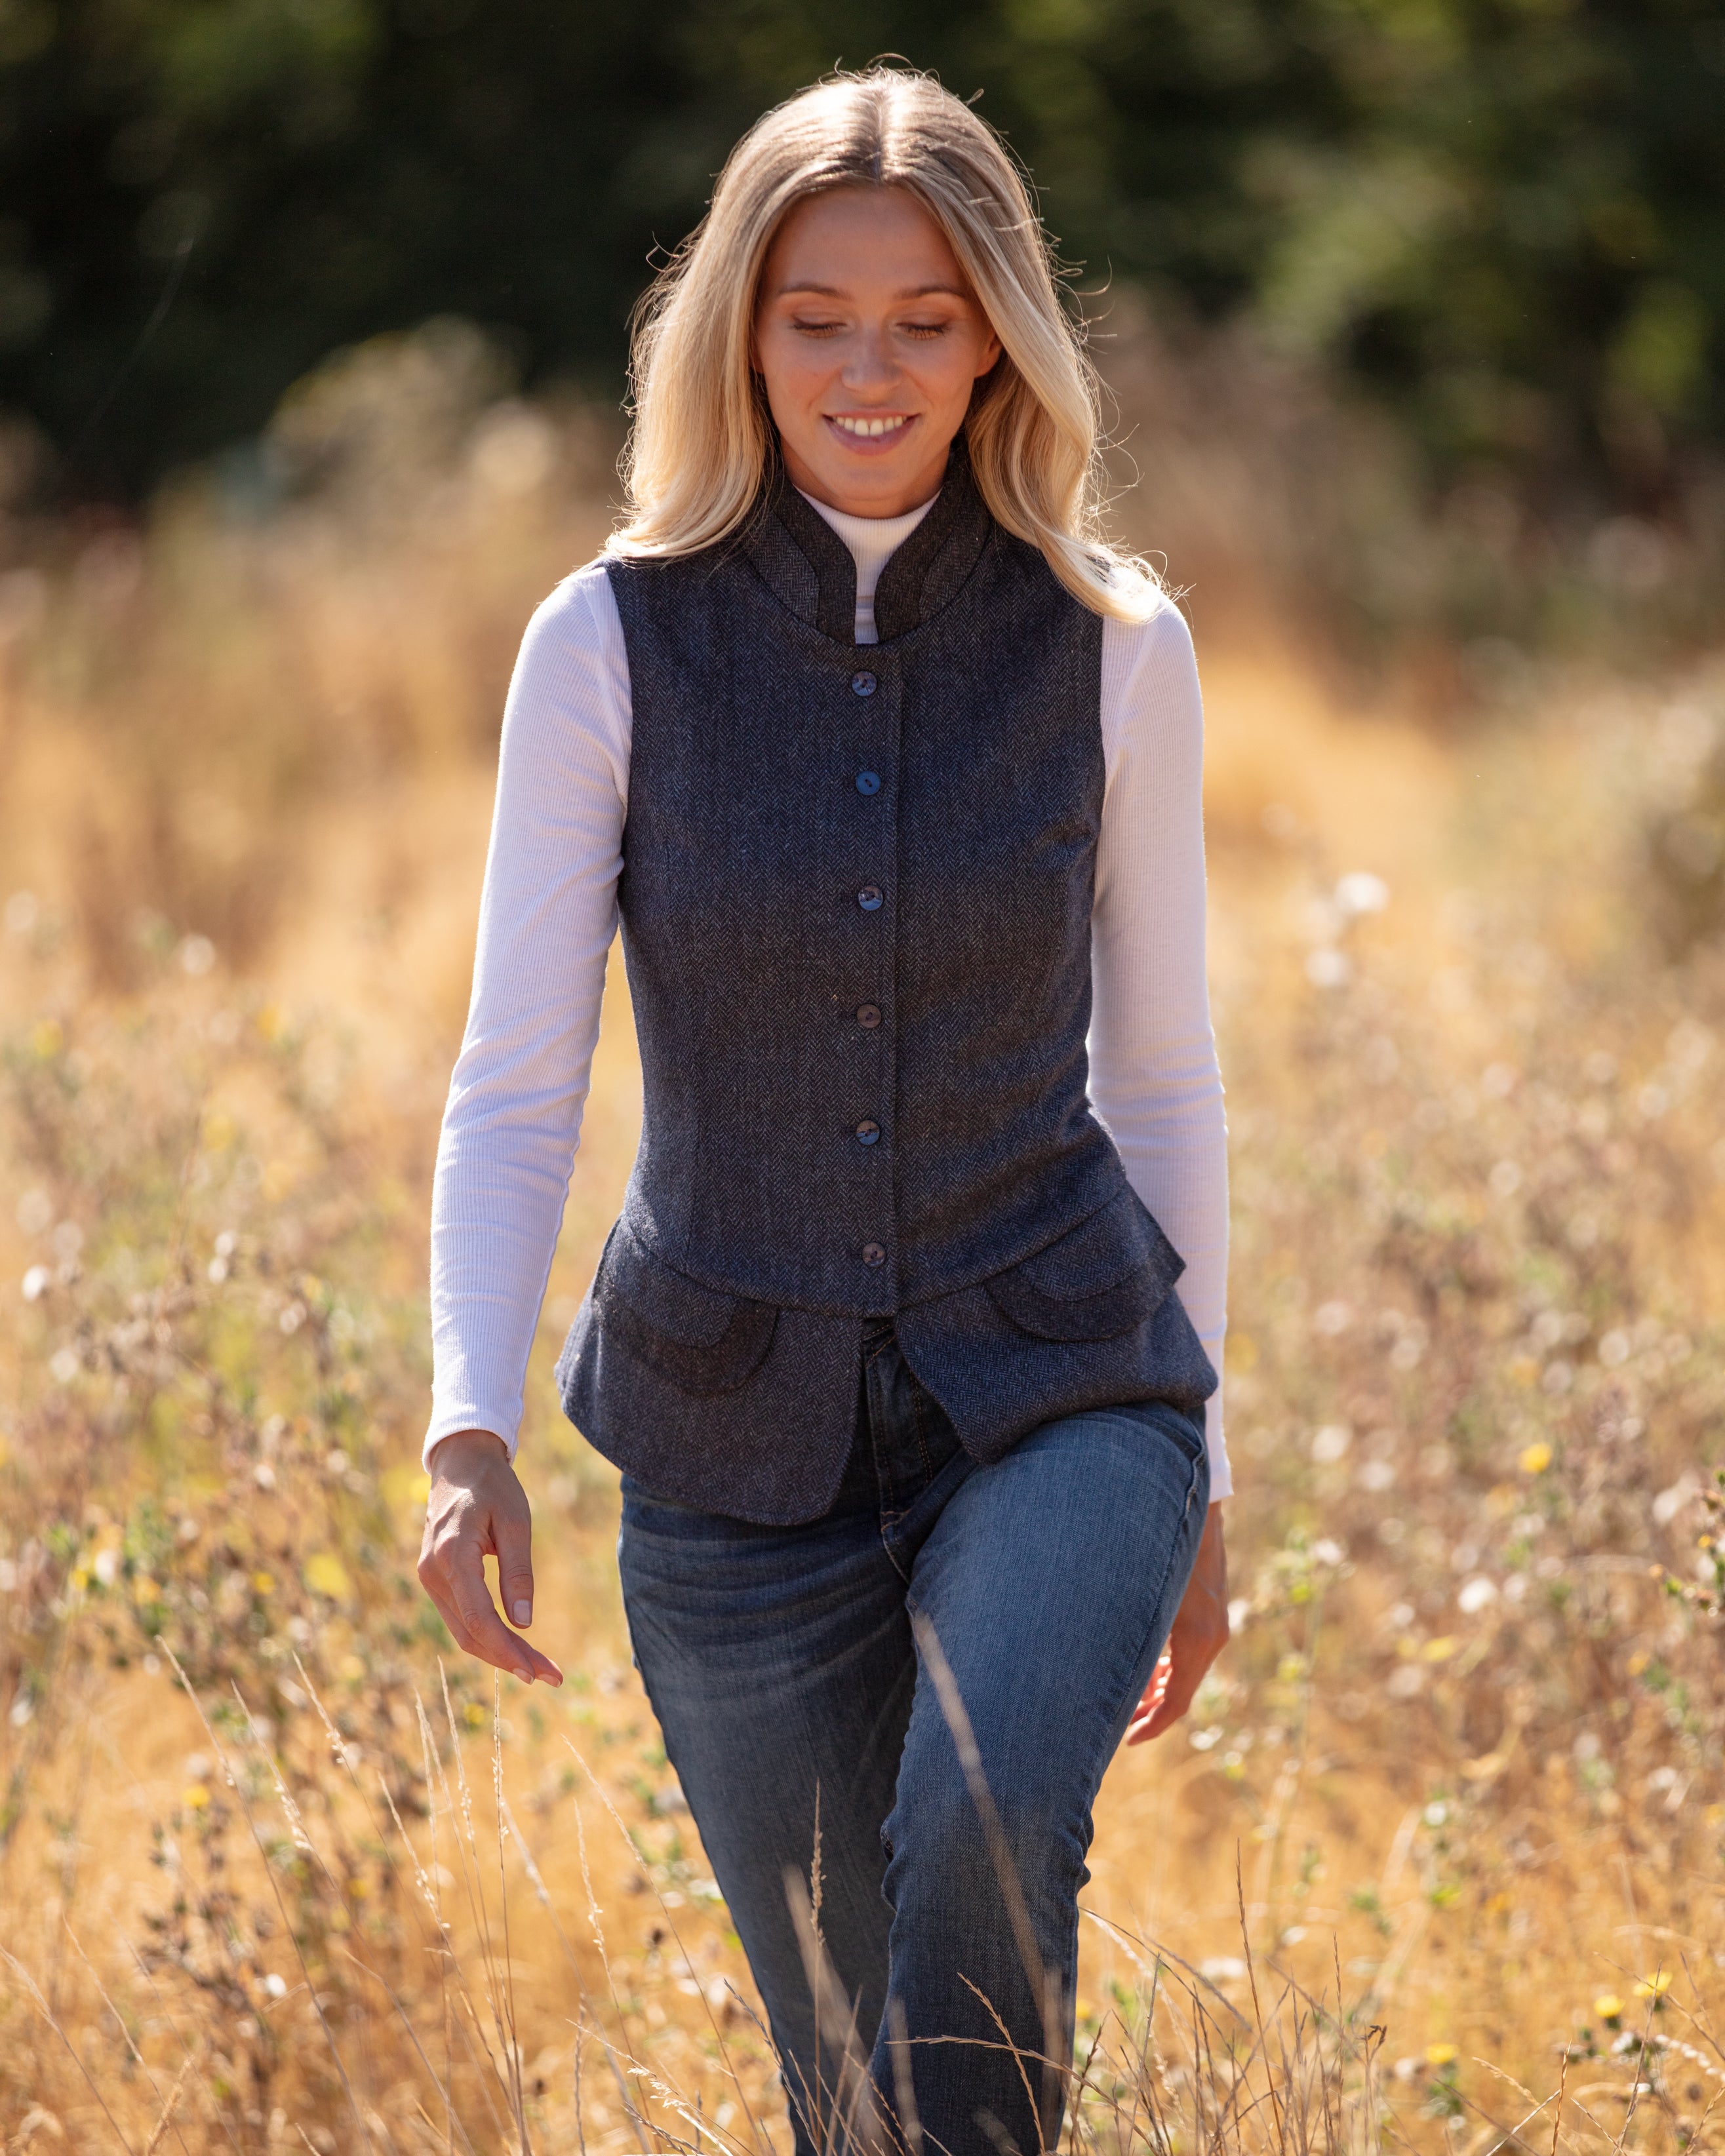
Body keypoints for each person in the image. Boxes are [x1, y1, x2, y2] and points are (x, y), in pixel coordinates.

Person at [417, 65, 1231, 2156]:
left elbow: (1155, 1074)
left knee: (981, 1823)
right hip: (725, 1440)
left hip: (1062, 1386)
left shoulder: (1116, 645)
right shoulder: (604, 640)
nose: (869, 369)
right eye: (814, 315)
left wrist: (1201, 1475)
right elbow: (521, 1072)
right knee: (860, 2092)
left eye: (927, 318)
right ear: (738, 331)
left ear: (998, 344)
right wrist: (468, 1419)